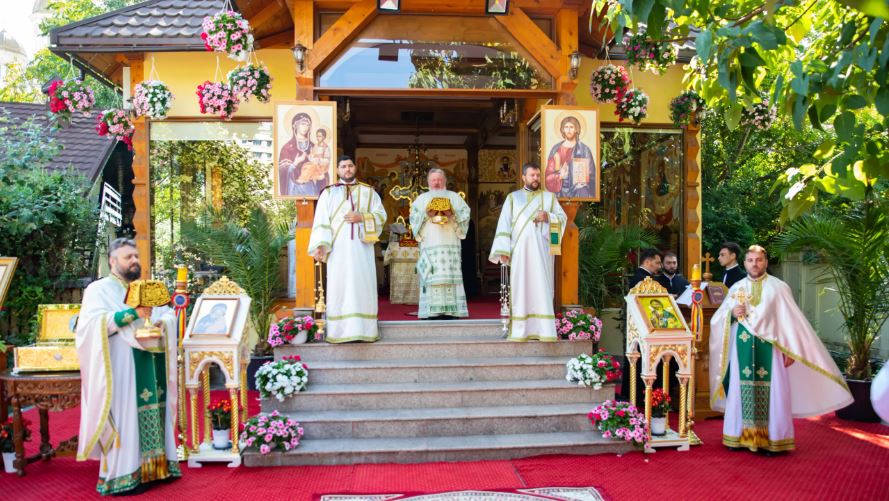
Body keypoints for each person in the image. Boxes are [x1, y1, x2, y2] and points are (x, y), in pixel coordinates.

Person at [710, 245, 852, 454]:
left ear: (766, 262)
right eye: (750, 260)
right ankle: (739, 436)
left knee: (774, 393)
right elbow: (718, 319)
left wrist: (789, 349)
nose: (755, 264)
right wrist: (732, 313)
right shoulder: (736, 288)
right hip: (743, 347)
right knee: (741, 389)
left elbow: (790, 321)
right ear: (745, 263)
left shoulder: (779, 287)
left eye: (759, 260)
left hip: (772, 349)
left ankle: (774, 440)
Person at [75, 238, 180, 495]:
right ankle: (125, 475)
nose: (134, 261)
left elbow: (166, 313)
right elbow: (90, 326)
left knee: (153, 411)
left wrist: (162, 323)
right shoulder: (98, 290)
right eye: (127, 257)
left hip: (151, 361)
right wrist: (132, 313)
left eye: (135, 256)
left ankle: (157, 469)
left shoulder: (147, 287)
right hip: (121, 367)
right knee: (127, 417)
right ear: (112, 261)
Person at [309, 155, 386, 342]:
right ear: (337, 170)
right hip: (338, 250)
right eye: (343, 166)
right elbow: (321, 220)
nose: (347, 169)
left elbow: (381, 215)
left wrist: (362, 217)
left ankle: (365, 331)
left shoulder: (369, 192)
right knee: (339, 286)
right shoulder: (328, 193)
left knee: (363, 285)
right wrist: (320, 245)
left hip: (362, 249)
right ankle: (340, 331)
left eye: (350, 166)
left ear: (355, 168)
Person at [489, 163, 567, 341]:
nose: (535, 179)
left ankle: (544, 331)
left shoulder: (549, 198)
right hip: (520, 253)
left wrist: (548, 217)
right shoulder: (513, 198)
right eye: (532, 175)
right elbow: (504, 224)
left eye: (538, 175)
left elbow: (562, 218)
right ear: (523, 177)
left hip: (542, 253)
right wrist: (503, 250)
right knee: (521, 287)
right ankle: (521, 330)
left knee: (542, 286)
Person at [409, 168, 471, 319]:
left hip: (450, 243)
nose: (436, 183)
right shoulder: (422, 199)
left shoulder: (454, 197)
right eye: (433, 180)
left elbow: (465, 215)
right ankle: (431, 311)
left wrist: (452, 214)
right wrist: (426, 214)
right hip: (430, 245)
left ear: (445, 181)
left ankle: (452, 310)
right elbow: (413, 217)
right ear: (428, 182)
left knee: (450, 275)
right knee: (431, 274)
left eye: (439, 179)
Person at [544, 116, 596, 198]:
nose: (568, 130)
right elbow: (548, 177)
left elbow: (592, 175)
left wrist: (583, 180)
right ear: (563, 129)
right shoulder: (556, 149)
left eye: (571, 127)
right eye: (566, 127)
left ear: (576, 129)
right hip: (559, 193)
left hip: (579, 192)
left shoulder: (584, 150)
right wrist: (559, 176)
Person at [278, 112, 316, 197]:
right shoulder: (287, 148)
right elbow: (283, 172)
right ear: (295, 125)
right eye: (303, 124)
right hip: (294, 187)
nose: (305, 127)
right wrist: (295, 163)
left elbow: (322, 172)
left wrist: (314, 162)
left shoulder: (313, 146)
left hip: (310, 187)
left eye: (308, 125)